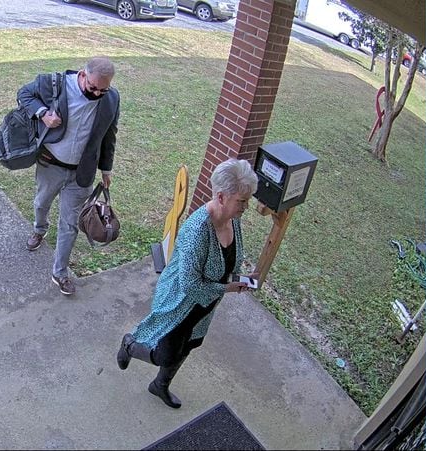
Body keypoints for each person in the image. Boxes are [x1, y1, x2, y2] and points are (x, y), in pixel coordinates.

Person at [115, 158, 259, 408]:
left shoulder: (233, 219)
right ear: (222, 197)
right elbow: (190, 286)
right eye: (242, 201)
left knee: (190, 343)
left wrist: (241, 278)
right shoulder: (197, 231)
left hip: (205, 302)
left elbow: (233, 257)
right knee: (164, 353)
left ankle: (159, 385)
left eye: (247, 200)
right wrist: (227, 288)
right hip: (179, 301)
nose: (246, 207)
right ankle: (129, 345)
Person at [17, 57, 120, 296]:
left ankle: (60, 272)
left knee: (70, 224)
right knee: (41, 203)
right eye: (92, 87)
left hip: (81, 172)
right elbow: (24, 94)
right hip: (50, 164)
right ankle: (40, 229)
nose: (96, 93)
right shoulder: (55, 84)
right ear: (83, 75)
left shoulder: (111, 99)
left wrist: (106, 169)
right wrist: (43, 113)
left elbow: (109, 135)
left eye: (102, 90)